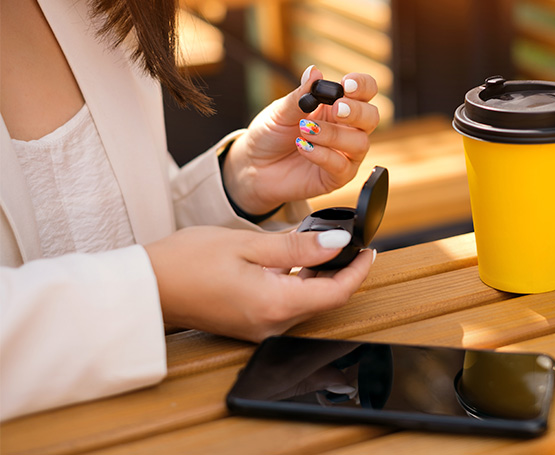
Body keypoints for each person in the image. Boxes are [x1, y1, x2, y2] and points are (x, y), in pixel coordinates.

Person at [0, 0, 380, 421]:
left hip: (169, 418)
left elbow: (114, 227)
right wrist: (154, 289)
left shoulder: (104, 7)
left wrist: (239, 185)